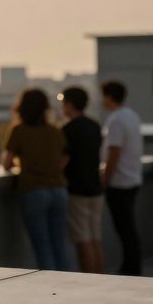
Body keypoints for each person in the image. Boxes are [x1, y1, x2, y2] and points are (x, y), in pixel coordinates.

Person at [1, 88, 70, 270]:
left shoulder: (19, 131)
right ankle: (68, 289)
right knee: (59, 247)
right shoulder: (55, 131)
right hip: (59, 190)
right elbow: (66, 156)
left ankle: (50, 292)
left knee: (43, 248)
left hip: (33, 191)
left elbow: (7, 164)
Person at [101, 79, 143, 275]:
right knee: (129, 229)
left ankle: (130, 269)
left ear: (109, 96)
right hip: (133, 179)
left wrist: (105, 180)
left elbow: (114, 152)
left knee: (125, 230)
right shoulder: (132, 115)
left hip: (119, 183)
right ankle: (132, 266)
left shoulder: (116, 120)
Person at [59, 86, 103, 273]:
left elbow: (63, 161)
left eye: (63, 103)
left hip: (77, 190)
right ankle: (101, 278)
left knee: (82, 239)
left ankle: (90, 281)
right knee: (95, 237)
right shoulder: (95, 126)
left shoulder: (68, 130)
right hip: (96, 188)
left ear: (69, 104)